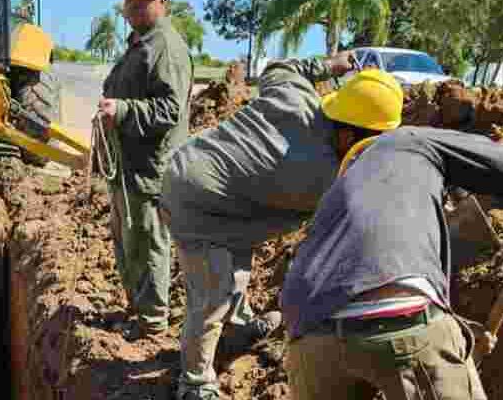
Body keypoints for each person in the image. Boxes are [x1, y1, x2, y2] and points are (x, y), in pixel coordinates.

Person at [279, 84, 503, 399]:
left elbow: (353, 294)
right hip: (401, 319)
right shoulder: (408, 141)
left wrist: (461, 329)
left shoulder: (337, 196)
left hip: (307, 339)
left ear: (345, 138)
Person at [161, 54, 380, 400]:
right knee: (212, 294)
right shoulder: (323, 175)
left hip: (210, 180)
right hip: (196, 202)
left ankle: (238, 327)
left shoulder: (295, 95)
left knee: (237, 267)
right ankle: (195, 383)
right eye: (369, 145)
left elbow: (281, 69)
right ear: (350, 135)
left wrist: (330, 65)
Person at [97, 0, 192, 340]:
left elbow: (170, 109)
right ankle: (137, 310)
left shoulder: (165, 47)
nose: (130, 7)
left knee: (149, 243)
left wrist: (121, 110)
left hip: (150, 169)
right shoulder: (140, 44)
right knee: (128, 242)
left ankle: (152, 321)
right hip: (127, 166)